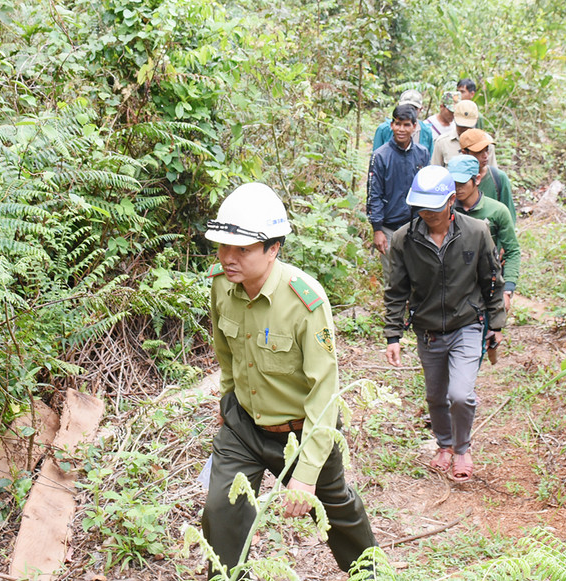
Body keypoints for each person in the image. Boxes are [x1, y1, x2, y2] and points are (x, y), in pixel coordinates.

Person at [201, 183, 376, 577]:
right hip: (244, 425)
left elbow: (324, 392)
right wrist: (228, 401)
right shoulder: (221, 283)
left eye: (242, 249)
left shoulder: (304, 302)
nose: (228, 257)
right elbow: (225, 352)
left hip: (302, 430)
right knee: (220, 510)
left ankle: (371, 574)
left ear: (273, 249)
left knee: (336, 509)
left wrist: (306, 475)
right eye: (223, 246)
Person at [384, 166, 506, 483]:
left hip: (467, 324)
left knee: (460, 394)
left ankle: (462, 449)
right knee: (436, 396)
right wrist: (393, 335)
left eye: (434, 208)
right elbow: (396, 290)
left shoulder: (476, 232)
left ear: (451, 200)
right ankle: (444, 445)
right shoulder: (405, 239)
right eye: (422, 208)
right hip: (428, 330)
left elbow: (492, 280)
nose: (427, 214)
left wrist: (496, 323)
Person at [449, 155, 520, 311]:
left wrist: (507, 289)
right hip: (455, 285)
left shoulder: (497, 211)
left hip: (489, 282)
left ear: (477, 180)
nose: (457, 188)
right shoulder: (447, 210)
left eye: (462, 183)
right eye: (453, 183)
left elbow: (512, 251)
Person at [366, 104, 429, 280]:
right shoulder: (380, 156)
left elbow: (427, 190)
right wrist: (377, 229)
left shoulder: (422, 154)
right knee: (393, 278)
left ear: (414, 127)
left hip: (417, 226)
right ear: (392, 125)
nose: (401, 129)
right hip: (389, 228)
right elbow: (374, 195)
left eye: (406, 124)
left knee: (418, 276)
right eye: (398, 124)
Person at [459, 128, 516, 223]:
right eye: (479, 152)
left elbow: (509, 218)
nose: (485, 156)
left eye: (486, 150)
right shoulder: (455, 180)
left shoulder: (498, 178)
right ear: (465, 153)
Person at [430, 100, 497, 168]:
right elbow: (435, 170)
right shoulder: (442, 142)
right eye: (461, 126)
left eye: (468, 126)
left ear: (476, 120)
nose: (465, 129)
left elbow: (492, 170)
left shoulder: (486, 141)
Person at [372, 89, 434, 157]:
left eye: (414, 108)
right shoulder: (384, 129)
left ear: (421, 109)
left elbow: (429, 158)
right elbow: (376, 156)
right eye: (406, 106)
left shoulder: (426, 132)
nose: (409, 111)